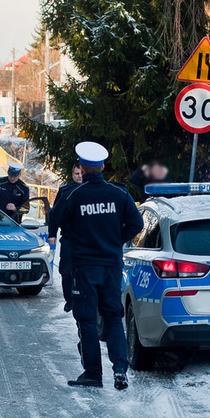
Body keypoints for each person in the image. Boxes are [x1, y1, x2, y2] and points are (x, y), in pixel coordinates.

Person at [49, 141, 143, 391]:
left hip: (85, 268)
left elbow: (55, 220)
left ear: (81, 167)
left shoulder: (73, 195)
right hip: (111, 266)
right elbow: (137, 224)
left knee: (87, 321)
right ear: (102, 166)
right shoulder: (120, 194)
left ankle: (93, 373)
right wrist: (115, 240)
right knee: (113, 317)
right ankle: (120, 369)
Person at [49, 163, 83, 312]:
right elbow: (54, 215)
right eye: (76, 174)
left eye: (81, 173)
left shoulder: (92, 191)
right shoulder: (65, 192)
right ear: (72, 175)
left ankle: (83, 299)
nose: (79, 176)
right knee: (66, 271)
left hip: (87, 239)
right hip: (69, 238)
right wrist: (52, 234)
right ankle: (69, 299)